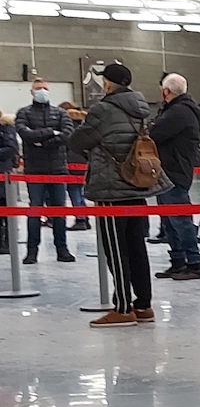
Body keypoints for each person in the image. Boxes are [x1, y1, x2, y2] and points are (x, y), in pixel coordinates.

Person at [67, 63, 173, 328]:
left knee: (116, 250)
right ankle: (144, 305)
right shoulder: (140, 106)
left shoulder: (103, 109)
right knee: (137, 247)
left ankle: (123, 308)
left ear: (107, 83)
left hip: (111, 187)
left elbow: (78, 141)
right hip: (136, 183)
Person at [150, 73, 200, 281]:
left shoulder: (179, 112)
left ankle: (194, 263)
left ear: (166, 91)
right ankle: (178, 261)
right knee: (170, 222)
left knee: (180, 220)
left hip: (174, 171)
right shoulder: (178, 110)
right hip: (168, 170)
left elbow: (155, 133)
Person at [15, 78, 75, 264]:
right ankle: (32, 251)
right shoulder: (23, 113)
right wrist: (51, 132)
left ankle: (62, 249)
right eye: (38, 88)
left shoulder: (61, 113)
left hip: (57, 169)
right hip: (34, 170)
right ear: (32, 92)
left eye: (45, 88)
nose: (42, 91)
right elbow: (25, 134)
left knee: (59, 211)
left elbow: (67, 134)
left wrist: (41, 141)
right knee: (35, 210)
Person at [60, 102, 90, 231]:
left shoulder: (66, 125)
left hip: (71, 161)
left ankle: (80, 218)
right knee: (79, 191)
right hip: (84, 161)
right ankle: (85, 217)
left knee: (74, 191)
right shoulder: (84, 123)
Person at [0, 114, 16, 255]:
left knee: (5, 211)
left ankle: (8, 243)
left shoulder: (6, 127)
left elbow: (11, 148)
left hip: (2, 174)